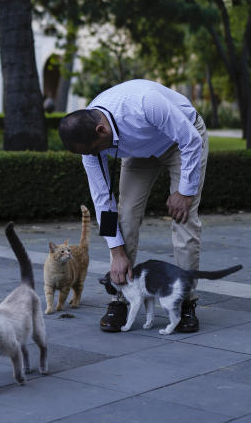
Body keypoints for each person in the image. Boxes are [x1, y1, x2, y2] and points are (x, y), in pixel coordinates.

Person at [57, 79, 209, 333]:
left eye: (94, 151)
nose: (93, 157)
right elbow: (103, 200)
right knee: (125, 215)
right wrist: (116, 252)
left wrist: (185, 191)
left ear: (101, 131)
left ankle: (185, 302)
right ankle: (120, 297)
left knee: (184, 219)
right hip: (139, 150)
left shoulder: (145, 104)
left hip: (182, 141)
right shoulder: (89, 146)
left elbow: (191, 140)